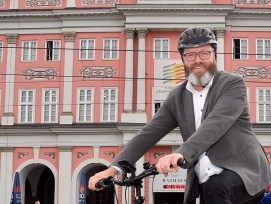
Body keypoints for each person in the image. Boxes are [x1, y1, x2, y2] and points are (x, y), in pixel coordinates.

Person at [88, 27, 271, 204]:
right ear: (183, 59)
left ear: (214, 54)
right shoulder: (177, 96)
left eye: (204, 53)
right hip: (204, 178)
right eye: (190, 55)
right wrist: (112, 169)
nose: (198, 60)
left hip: (243, 171)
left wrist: (181, 153)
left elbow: (216, 124)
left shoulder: (232, 84)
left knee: (215, 187)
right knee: (209, 188)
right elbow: (148, 133)